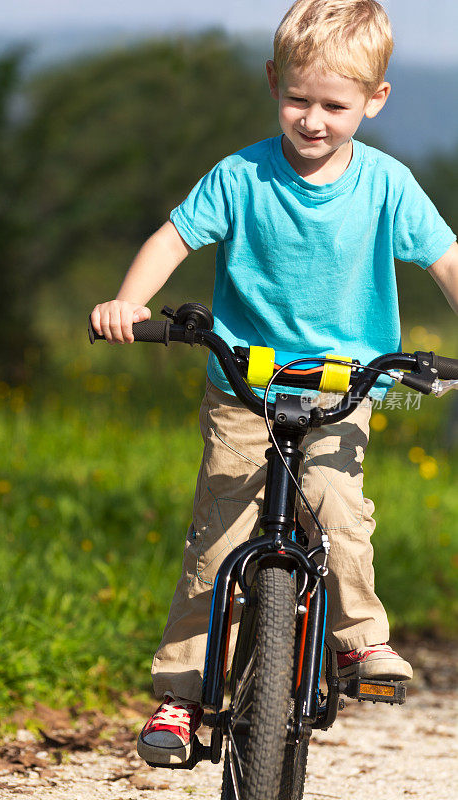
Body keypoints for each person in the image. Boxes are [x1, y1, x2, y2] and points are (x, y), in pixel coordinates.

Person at [90, 0, 458, 767]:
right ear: (272, 83)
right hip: (242, 386)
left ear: (374, 100)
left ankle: (360, 647)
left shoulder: (386, 185)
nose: (313, 120)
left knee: (339, 514)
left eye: (335, 104)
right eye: (298, 99)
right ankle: (181, 696)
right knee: (217, 534)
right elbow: (173, 237)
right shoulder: (240, 175)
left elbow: (446, 259)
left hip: (343, 390)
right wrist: (129, 301)